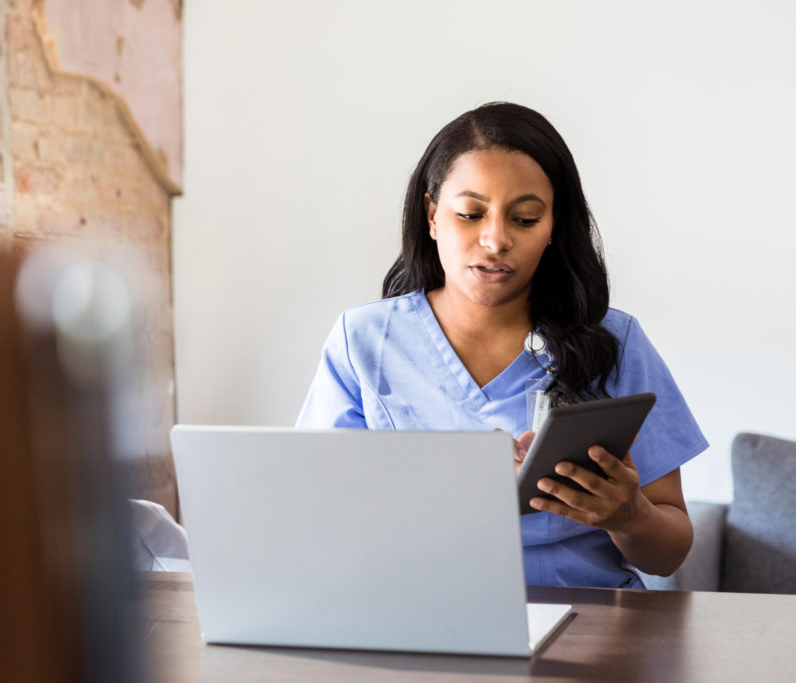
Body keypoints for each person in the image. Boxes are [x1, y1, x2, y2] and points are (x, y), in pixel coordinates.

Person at [296, 102, 708, 588]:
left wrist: (629, 516)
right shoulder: (363, 341)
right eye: (470, 214)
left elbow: (669, 555)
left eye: (526, 218)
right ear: (432, 215)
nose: (495, 240)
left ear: (553, 226)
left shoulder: (614, 343)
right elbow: (316, 523)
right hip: (419, 624)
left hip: (588, 632)